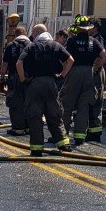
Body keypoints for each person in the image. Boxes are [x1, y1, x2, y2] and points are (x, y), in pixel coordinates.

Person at [16, 24, 72, 156]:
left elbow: (19, 63)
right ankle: (63, 144)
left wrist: (23, 79)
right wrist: (62, 75)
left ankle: (36, 149)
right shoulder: (56, 46)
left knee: (34, 115)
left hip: (35, 83)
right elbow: (70, 60)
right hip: (51, 83)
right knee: (54, 114)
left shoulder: (31, 46)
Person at [62, 16, 106, 148]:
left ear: (77, 27)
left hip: (74, 73)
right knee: (84, 105)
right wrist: (95, 68)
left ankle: (62, 135)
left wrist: (63, 73)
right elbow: (105, 56)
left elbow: (66, 58)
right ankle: (79, 137)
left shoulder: (71, 41)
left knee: (67, 104)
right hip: (89, 73)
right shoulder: (93, 41)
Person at [1, 25, 31, 135]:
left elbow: (5, 64)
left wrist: (2, 78)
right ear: (26, 34)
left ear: (15, 35)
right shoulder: (31, 45)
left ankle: (18, 128)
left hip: (14, 77)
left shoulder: (10, 46)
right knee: (29, 101)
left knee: (15, 103)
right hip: (29, 78)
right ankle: (29, 127)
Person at [85, 18, 106, 143]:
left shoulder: (97, 39)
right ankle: (91, 130)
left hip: (97, 73)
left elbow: (103, 57)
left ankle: (95, 132)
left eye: (91, 26)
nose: (88, 28)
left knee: (96, 101)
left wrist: (95, 69)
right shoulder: (90, 39)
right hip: (92, 71)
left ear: (95, 28)